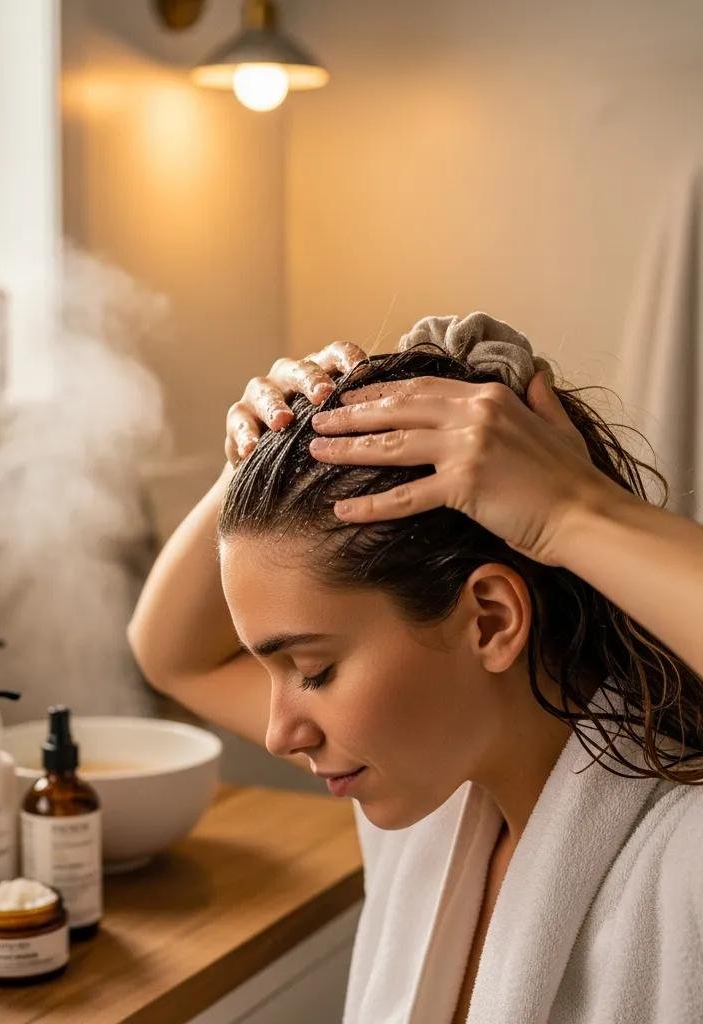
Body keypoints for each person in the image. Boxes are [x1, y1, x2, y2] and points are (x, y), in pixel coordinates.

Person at [126, 312, 703, 1023]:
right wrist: (260, 452)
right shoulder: (440, 804)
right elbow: (172, 655)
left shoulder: (682, 860)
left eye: (313, 670)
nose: (280, 736)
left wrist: (572, 511)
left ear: (489, 620)